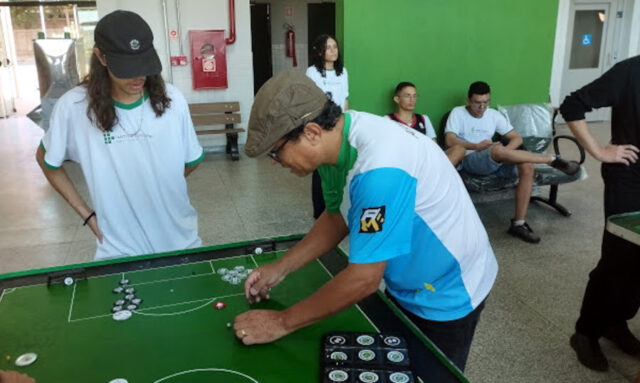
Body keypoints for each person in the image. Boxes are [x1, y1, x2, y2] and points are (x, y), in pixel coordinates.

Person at [233, 70, 498, 374]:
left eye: (277, 153)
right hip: (409, 282)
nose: (274, 163)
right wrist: (280, 268)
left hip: (450, 290)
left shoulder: (378, 171)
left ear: (312, 133)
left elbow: (364, 279)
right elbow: (336, 217)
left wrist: (281, 322)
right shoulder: (338, 140)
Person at [36, 10, 204, 260]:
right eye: (127, 68)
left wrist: (151, 185)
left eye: (144, 65)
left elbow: (191, 162)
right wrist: (87, 214)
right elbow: (46, 161)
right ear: (101, 57)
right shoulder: (73, 107)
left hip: (182, 242)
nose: (139, 77)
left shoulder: (172, 100)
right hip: (118, 252)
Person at [560, 55, 640, 372]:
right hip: (629, 178)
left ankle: (616, 322)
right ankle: (586, 332)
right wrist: (599, 151)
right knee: (618, 259)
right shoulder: (631, 72)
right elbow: (572, 105)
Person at [444, 81, 580, 244]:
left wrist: (506, 152)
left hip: (495, 159)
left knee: (526, 165)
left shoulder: (493, 115)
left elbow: (517, 138)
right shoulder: (458, 113)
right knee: (497, 150)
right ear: (468, 101)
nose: (482, 107)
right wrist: (477, 146)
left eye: (486, 102)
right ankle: (550, 160)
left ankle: (519, 224)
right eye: (477, 103)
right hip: (471, 160)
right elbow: (450, 140)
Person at [306, 34, 349, 220]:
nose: (333, 50)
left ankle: (338, 210)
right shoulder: (312, 72)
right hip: (321, 126)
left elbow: (345, 99)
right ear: (319, 51)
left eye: (335, 46)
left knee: (339, 167)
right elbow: (312, 101)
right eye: (328, 47)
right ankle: (320, 212)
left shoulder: (342, 72)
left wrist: (344, 123)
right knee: (321, 170)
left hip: (339, 126)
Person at [387, 81, 465, 165]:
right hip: (405, 161)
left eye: (414, 96)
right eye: (407, 96)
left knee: (459, 149)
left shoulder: (423, 119)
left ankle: (436, 172)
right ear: (397, 99)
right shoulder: (388, 120)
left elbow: (433, 146)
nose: (412, 100)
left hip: (425, 160)